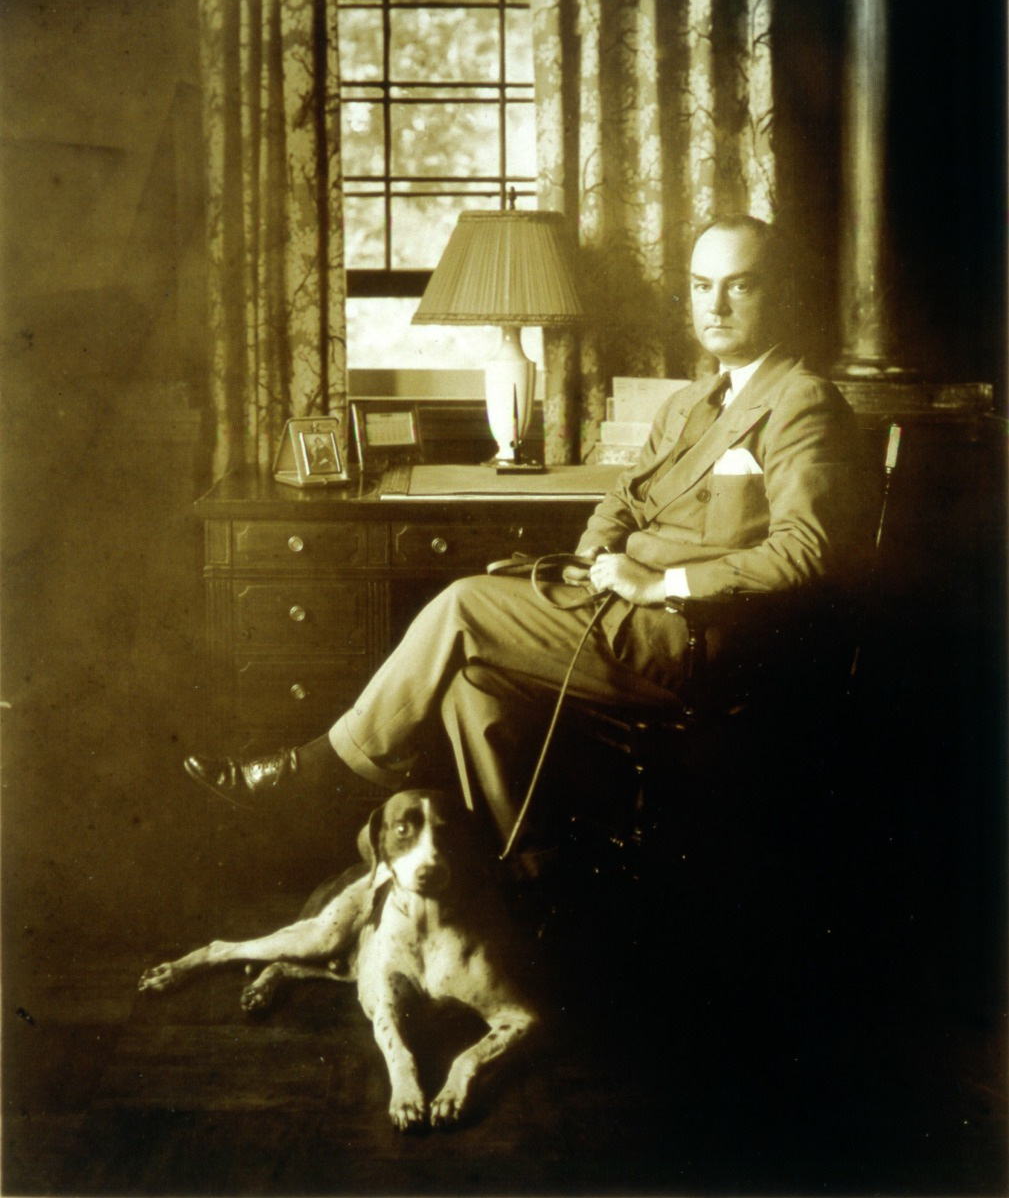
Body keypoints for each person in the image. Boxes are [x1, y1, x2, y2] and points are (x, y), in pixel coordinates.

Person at [184, 215, 870, 847]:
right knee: (473, 684)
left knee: (463, 604)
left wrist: (662, 581)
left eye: (737, 286)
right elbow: (622, 500)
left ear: (775, 295)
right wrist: (592, 557)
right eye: (699, 287)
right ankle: (528, 876)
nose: (713, 305)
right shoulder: (689, 403)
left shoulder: (800, 400)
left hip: (699, 635)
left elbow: (804, 552)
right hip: (621, 608)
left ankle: (317, 774)